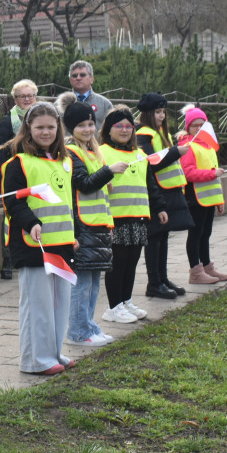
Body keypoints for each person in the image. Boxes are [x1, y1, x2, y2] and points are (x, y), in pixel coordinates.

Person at [1, 102, 77, 375]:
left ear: (58, 129)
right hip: (34, 245)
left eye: (50, 127)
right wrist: (31, 222)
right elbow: (13, 202)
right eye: (39, 127)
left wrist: (73, 235)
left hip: (62, 243)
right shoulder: (18, 163)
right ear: (28, 130)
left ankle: (54, 352)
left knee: (59, 303)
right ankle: (35, 360)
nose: (46, 132)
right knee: (38, 306)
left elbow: (68, 204)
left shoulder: (64, 162)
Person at [61, 102, 127, 347]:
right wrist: (108, 172)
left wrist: (105, 178)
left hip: (97, 225)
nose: (88, 129)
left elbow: (93, 185)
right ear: (71, 127)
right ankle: (78, 332)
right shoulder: (71, 151)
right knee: (82, 282)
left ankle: (88, 326)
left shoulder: (90, 150)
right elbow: (83, 183)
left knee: (93, 280)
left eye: (90, 124)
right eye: (81, 125)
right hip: (83, 226)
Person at [135, 93, 194, 299]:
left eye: (163, 112)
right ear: (148, 113)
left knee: (163, 236)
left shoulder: (161, 132)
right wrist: (177, 152)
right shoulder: (144, 134)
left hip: (169, 190)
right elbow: (152, 161)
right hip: (156, 191)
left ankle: (163, 278)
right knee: (154, 237)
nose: (161, 116)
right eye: (158, 112)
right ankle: (154, 282)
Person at [98, 106, 151, 324]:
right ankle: (113, 306)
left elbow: (147, 183)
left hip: (138, 216)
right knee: (117, 263)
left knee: (132, 262)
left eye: (129, 126)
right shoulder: (101, 152)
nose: (124, 130)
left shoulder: (140, 154)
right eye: (118, 126)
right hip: (115, 218)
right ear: (108, 129)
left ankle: (126, 300)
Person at [178, 107, 227, 285]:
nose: (199, 129)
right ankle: (196, 271)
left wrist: (219, 200)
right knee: (196, 234)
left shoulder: (208, 146)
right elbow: (188, 173)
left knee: (205, 233)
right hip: (195, 198)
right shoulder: (188, 147)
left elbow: (215, 176)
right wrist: (211, 174)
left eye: (202, 125)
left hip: (209, 198)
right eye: (195, 126)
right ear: (188, 128)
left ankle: (207, 267)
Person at [0, 79, 39, 279]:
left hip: (38, 176)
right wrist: (6, 176)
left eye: (30, 95)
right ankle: (8, 260)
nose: (27, 99)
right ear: (15, 99)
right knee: (10, 218)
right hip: (16, 177)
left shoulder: (41, 117)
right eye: (22, 96)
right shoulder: (8, 122)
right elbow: (0, 152)